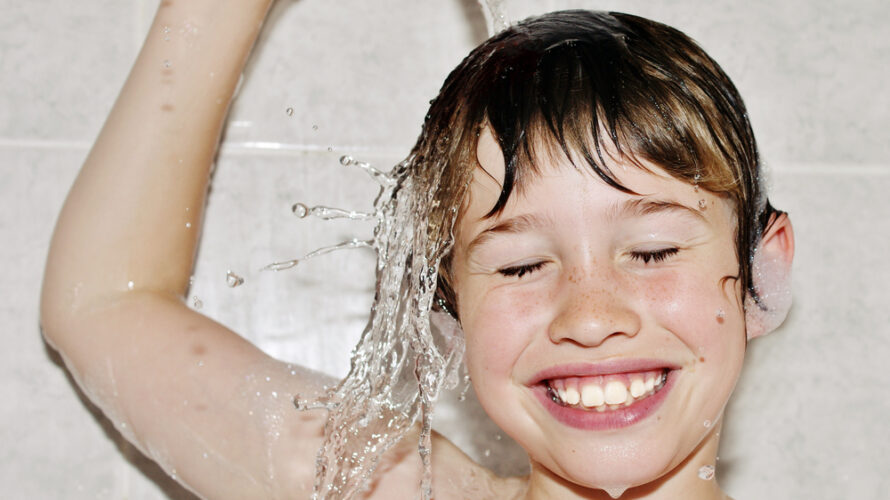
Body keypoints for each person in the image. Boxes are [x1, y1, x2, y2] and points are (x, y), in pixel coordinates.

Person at [40, 2, 795, 499]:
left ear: (762, 274)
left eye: (655, 251)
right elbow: (104, 306)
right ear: (447, 308)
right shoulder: (375, 486)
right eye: (522, 265)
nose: (589, 316)